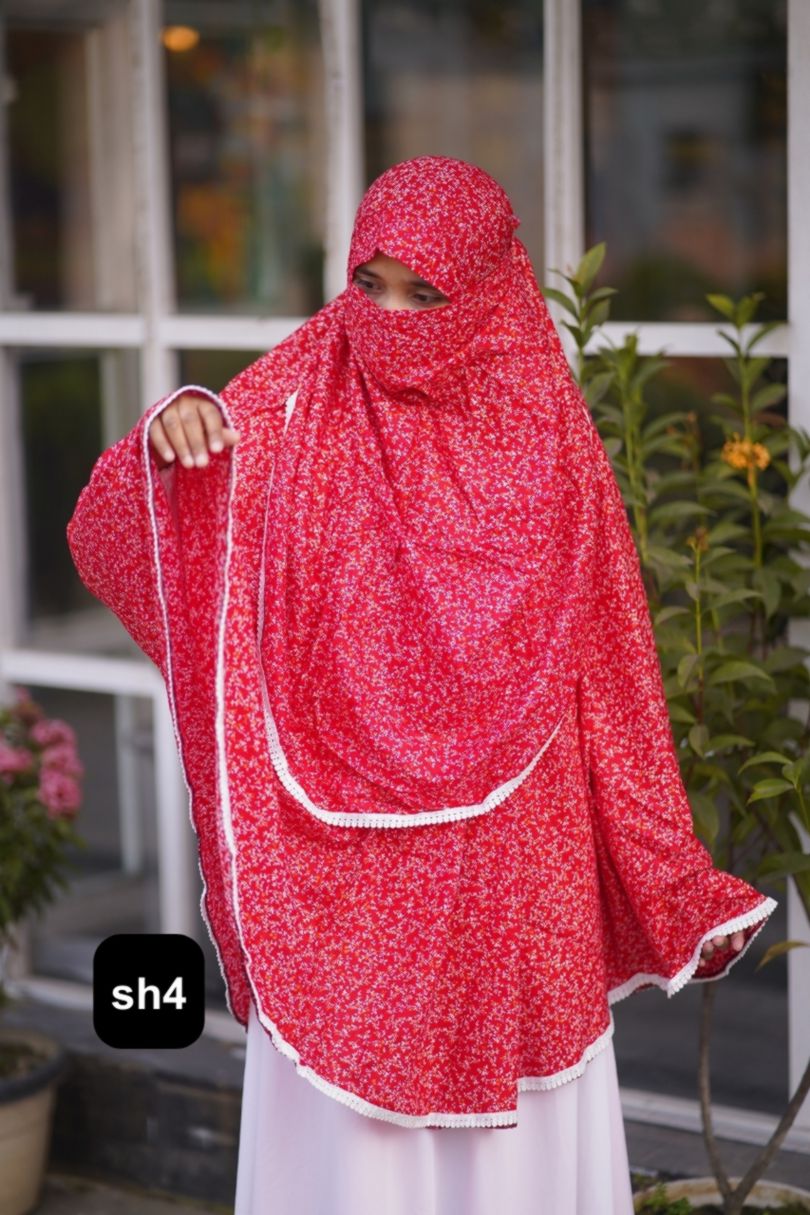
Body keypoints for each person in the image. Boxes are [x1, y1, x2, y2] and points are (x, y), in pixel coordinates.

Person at [68, 156, 777, 1215]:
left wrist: (658, 856)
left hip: (512, 859)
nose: (390, 318)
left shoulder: (547, 432)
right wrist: (175, 447)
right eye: (371, 284)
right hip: (340, 860)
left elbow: (610, 658)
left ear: (486, 290)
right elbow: (121, 524)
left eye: (424, 292)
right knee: (354, 1148)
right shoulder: (304, 389)